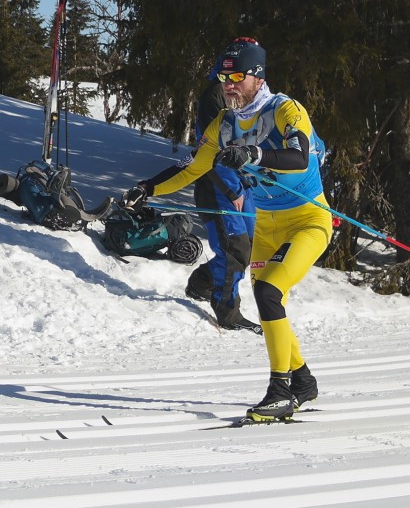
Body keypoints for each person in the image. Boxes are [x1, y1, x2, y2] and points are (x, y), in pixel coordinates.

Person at [124, 38, 332, 422]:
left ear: (257, 76)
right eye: (223, 77)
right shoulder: (224, 124)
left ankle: (280, 391)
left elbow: (299, 158)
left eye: (237, 76)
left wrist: (253, 154)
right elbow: (191, 168)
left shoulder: (286, 109)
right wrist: (147, 188)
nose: (229, 85)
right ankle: (303, 381)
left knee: (269, 292)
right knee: (270, 302)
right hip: (266, 227)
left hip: (307, 220)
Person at [186, 71, 262, 334]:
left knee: (247, 247)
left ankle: (201, 283)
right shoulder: (217, 94)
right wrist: (231, 190)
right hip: (219, 186)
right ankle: (228, 314)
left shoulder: (254, 92)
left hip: (243, 184)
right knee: (234, 250)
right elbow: (213, 150)